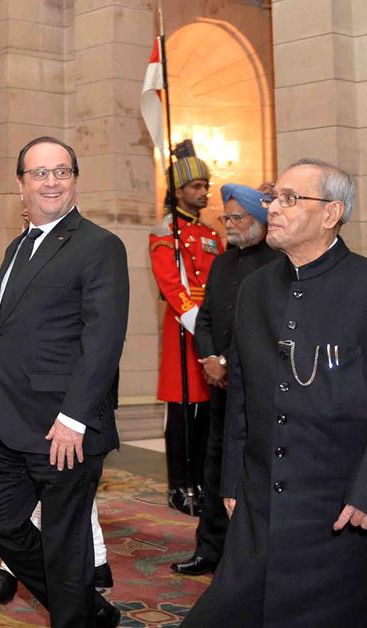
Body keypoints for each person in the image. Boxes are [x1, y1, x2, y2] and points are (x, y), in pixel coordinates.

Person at [185, 159, 367, 628]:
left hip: (345, 512)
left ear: (331, 213)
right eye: (274, 197)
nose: (272, 207)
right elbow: (241, 393)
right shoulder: (256, 289)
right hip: (263, 509)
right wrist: (233, 479)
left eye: (289, 198)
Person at [0, 137, 127, 628]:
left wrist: (74, 418)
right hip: (15, 426)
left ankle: (74, 615)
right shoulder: (18, 246)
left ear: (75, 180)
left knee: (65, 543)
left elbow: (102, 343)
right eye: (39, 173)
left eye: (61, 171)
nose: (52, 182)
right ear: (20, 185)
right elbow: (9, 338)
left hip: (66, 427)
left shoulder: (100, 245)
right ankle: (86, 606)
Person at [170, 184, 280, 578]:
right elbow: (208, 319)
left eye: (237, 218)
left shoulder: (277, 262)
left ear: (260, 220)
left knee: (252, 468)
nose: (229, 225)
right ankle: (209, 547)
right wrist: (209, 359)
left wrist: (228, 361)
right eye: (226, 218)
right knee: (214, 465)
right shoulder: (222, 263)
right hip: (220, 385)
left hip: (258, 385)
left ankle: (247, 553)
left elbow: (267, 326)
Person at [149, 154, 223, 514]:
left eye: (205, 185)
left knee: (207, 413)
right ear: (178, 191)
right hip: (183, 325)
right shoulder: (166, 230)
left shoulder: (210, 234)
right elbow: (167, 278)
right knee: (181, 413)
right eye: (196, 186)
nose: (203, 191)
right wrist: (192, 316)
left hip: (209, 325)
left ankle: (202, 481)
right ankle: (179, 486)